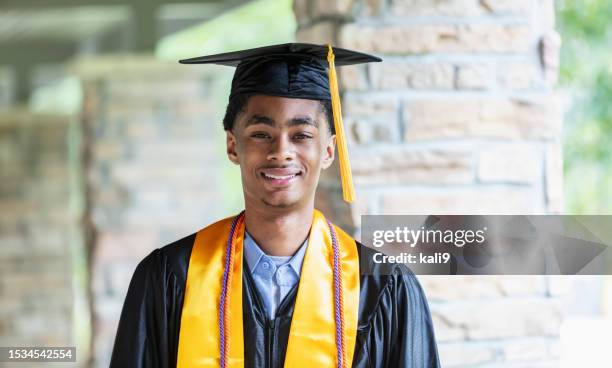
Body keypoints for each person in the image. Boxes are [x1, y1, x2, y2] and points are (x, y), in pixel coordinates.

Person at [110, 43, 440, 368]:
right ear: (232, 145)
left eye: (301, 135)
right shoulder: (171, 277)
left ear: (328, 151)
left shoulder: (383, 287)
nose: (281, 152)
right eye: (261, 134)